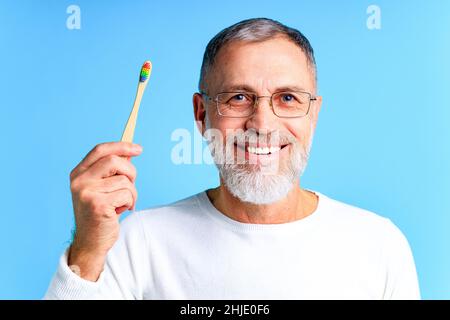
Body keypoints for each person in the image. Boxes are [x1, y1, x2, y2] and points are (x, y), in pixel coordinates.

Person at [45, 18, 420, 299]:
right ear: (201, 113)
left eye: (287, 98)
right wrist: (89, 250)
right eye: (238, 97)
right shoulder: (138, 242)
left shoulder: (379, 245)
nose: (262, 122)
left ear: (314, 114)